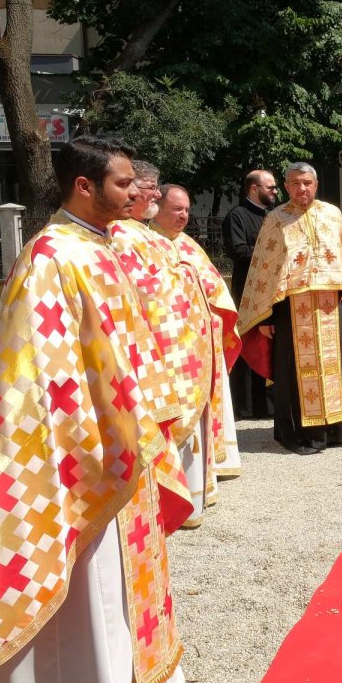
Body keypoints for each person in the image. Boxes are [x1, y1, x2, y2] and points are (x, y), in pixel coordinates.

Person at [0, 136, 192, 683]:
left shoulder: (101, 246)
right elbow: (35, 370)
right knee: (90, 588)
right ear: (84, 185)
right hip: (89, 450)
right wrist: (95, 439)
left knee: (122, 584)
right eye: (123, 184)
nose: (134, 194)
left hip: (128, 438)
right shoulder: (51, 256)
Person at [108, 165, 217, 528]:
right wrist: (184, 276)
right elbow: (147, 293)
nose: (156, 195)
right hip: (161, 349)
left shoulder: (143, 234)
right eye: (149, 188)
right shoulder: (121, 236)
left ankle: (190, 499)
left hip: (181, 347)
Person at [237, 162, 342, 454]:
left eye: (306, 182)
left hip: (330, 307)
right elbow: (263, 272)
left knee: (332, 368)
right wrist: (264, 318)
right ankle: (299, 433)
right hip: (289, 311)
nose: (301, 188)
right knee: (294, 372)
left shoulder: (332, 215)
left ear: (315, 185)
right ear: (286, 186)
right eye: (295, 183)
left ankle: (334, 430)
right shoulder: (276, 219)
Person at [152, 183, 243, 525]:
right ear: (156, 207)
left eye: (187, 209)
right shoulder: (147, 246)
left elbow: (214, 287)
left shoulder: (188, 244)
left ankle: (205, 481)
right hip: (175, 347)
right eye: (177, 209)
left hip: (202, 343)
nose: (184, 215)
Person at [223, 169, 278, 421]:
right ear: (254, 189)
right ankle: (246, 407)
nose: (275, 191)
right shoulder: (237, 216)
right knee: (247, 347)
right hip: (246, 293)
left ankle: (268, 405)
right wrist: (269, 255)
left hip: (272, 294)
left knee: (269, 346)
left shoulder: (273, 217)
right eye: (270, 187)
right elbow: (237, 250)